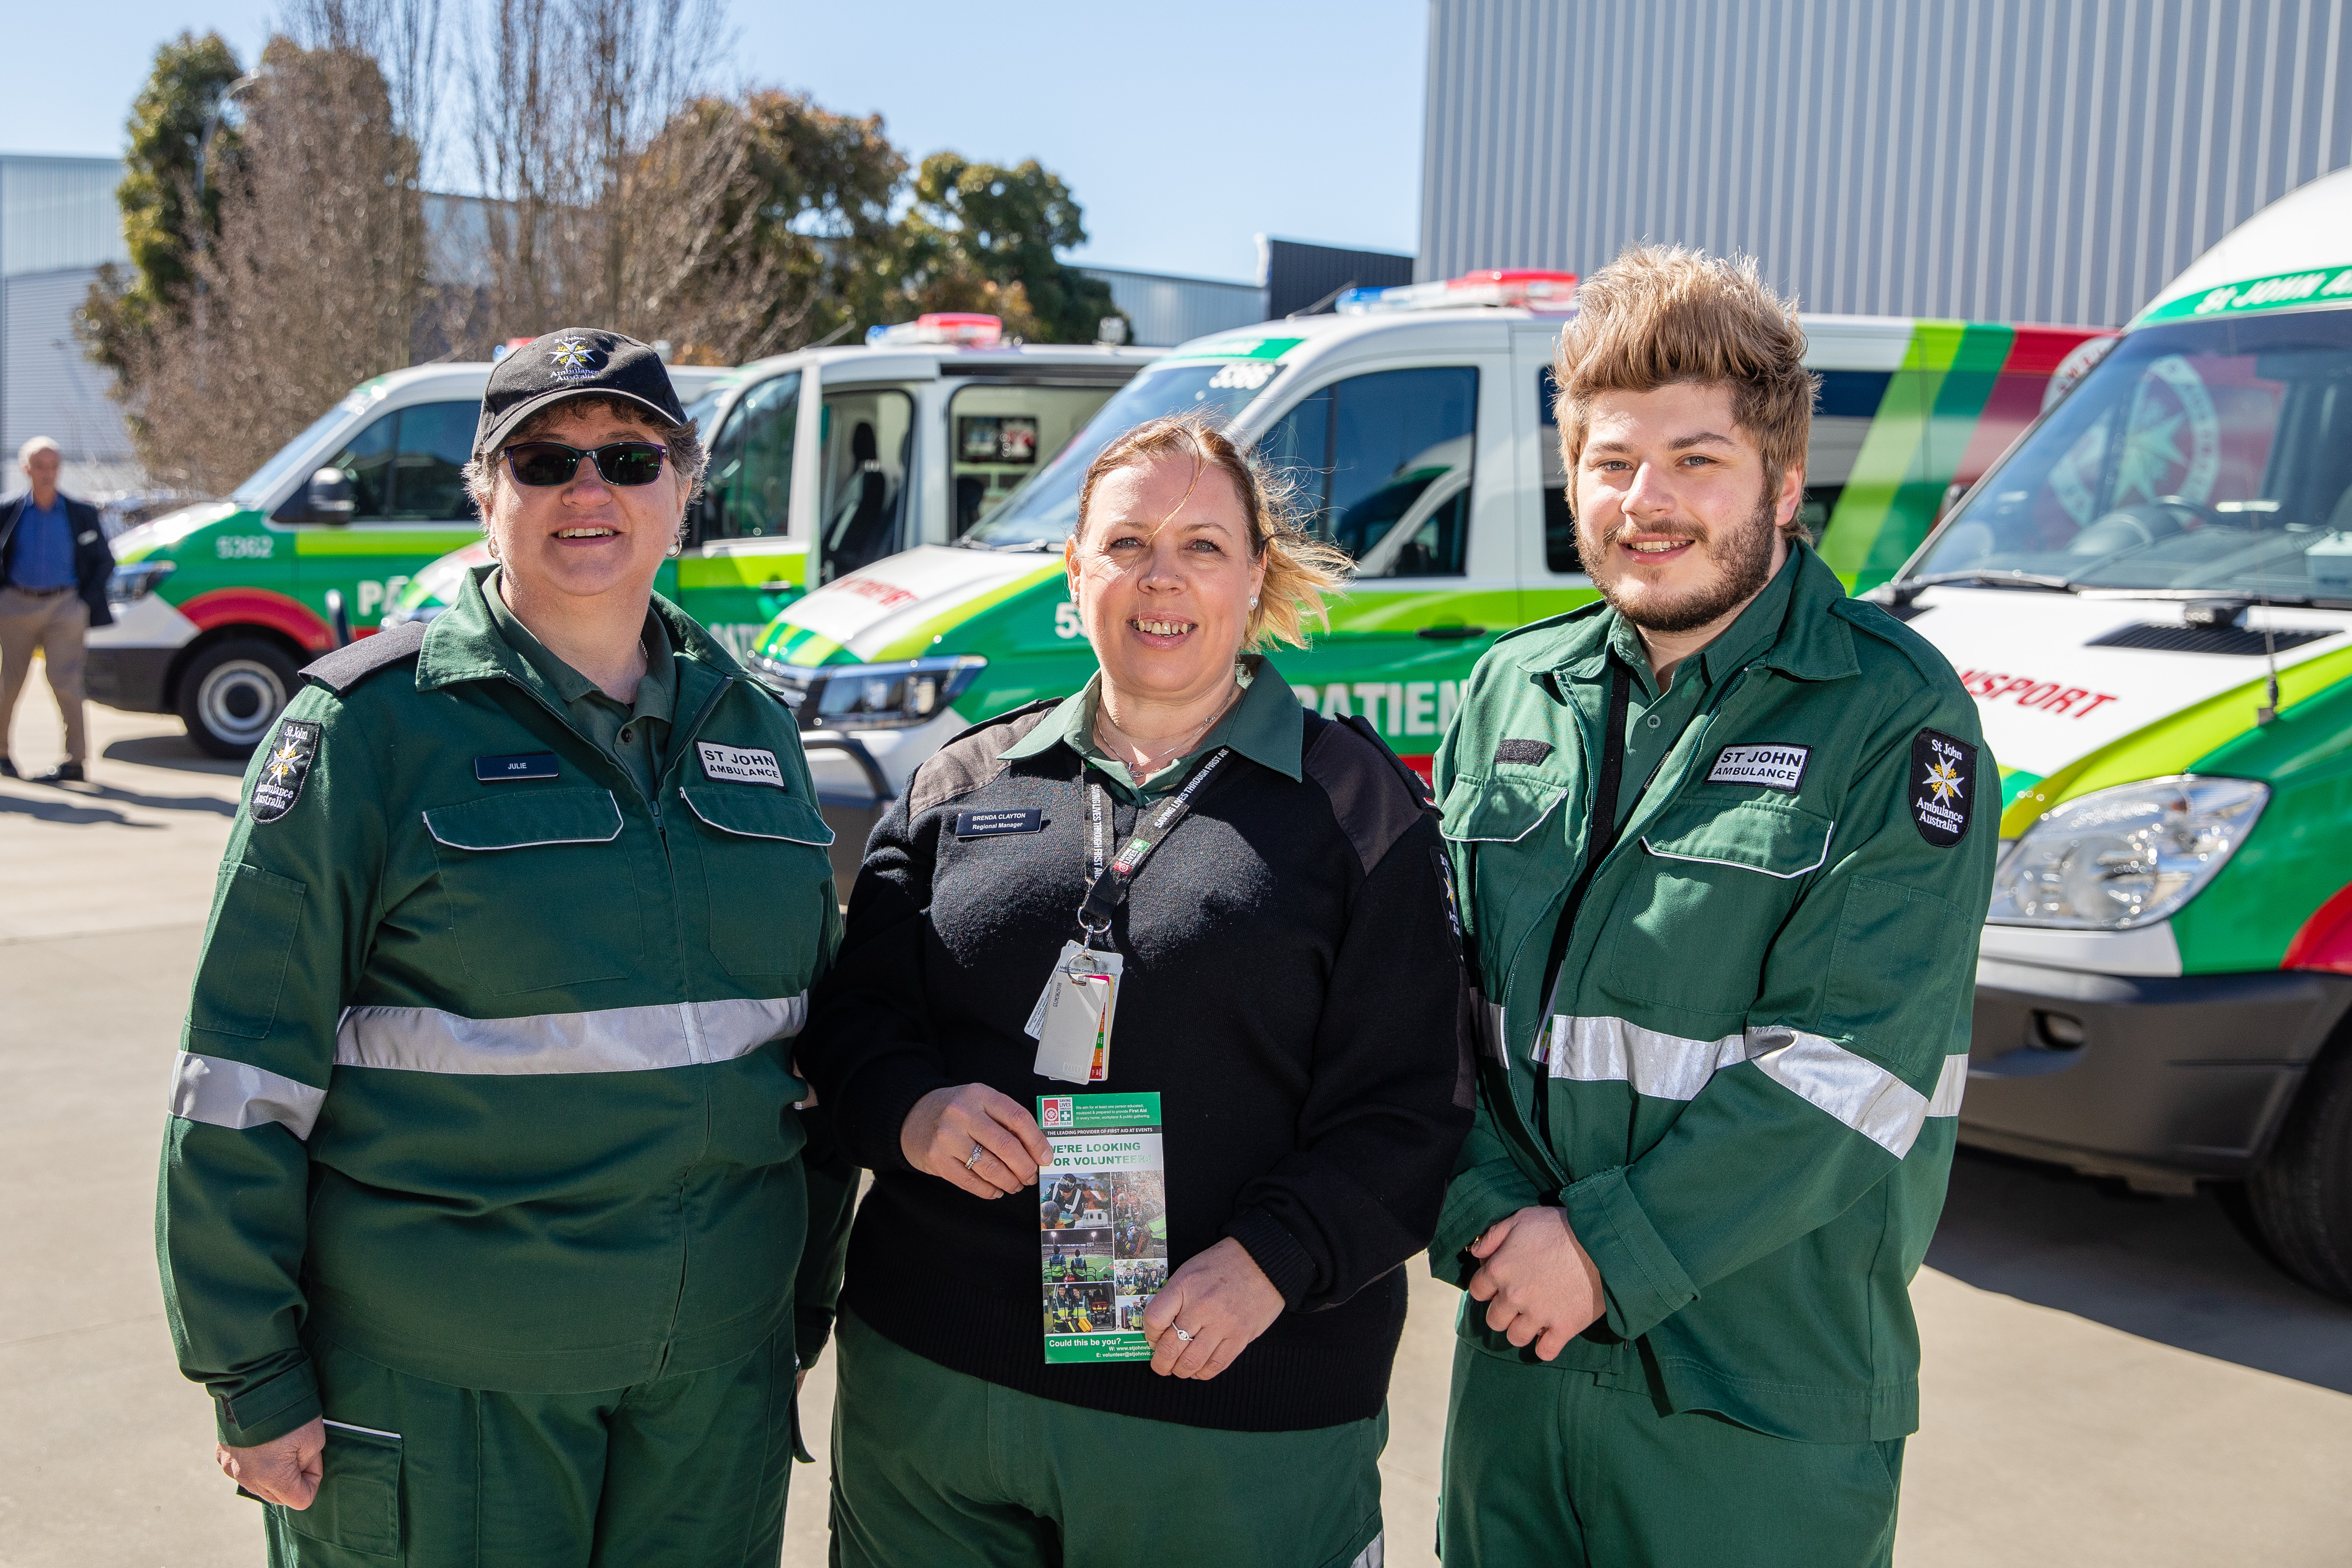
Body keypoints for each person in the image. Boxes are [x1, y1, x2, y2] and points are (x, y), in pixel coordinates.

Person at [156, 328, 852, 1567]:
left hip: (710, 1384)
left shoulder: (753, 724)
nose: (589, 491)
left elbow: (812, 1057)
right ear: (486, 497)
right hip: (446, 1391)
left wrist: (792, 1311)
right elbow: (241, 1073)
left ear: (684, 491)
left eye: (630, 458)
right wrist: (251, 1371)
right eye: (543, 460)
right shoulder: (367, 732)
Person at [797, 413, 1475, 1568]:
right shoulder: (962, 784)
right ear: (1074, 571)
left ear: (1257, 575)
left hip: (1231, 1412)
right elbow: (853, 1022)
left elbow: (1414, 1105)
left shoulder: (1357, 809)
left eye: (1202, 546)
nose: (1161, 579)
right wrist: (913, 1109)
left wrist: (1274, 1257)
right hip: (939, 1396)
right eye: (1126, 543)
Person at [1429, 246, 1997, 1568]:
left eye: (1697, 459)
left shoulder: (1892, 717)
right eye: (1613, 461)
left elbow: (1853, 1067)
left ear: (1783, 486)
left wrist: (1604, 1250)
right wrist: (1486, 1221)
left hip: (1753, 1395)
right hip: (1521, 1353)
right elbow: (1433, 1004)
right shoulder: (1508, 694)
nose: (1648, 502)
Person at [0, 436, 115, 783]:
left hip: (65, 606)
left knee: (67, 682)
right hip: (17, 604)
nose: (47, 474)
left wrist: (84, 602)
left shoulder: (80, 513)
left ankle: (75, 761)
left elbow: (104, 560)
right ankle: (2, 754)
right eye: (40, 467)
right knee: (10, 682)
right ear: (27, 469)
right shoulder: (9, 512)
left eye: (53, 467)